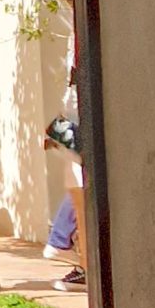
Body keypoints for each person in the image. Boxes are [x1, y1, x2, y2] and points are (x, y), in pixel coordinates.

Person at [44, 84, 86, 288]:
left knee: (79, 191)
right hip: (76, 116)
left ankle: (60, 239)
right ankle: (62, 240)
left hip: (77, 116)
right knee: (79, 192)